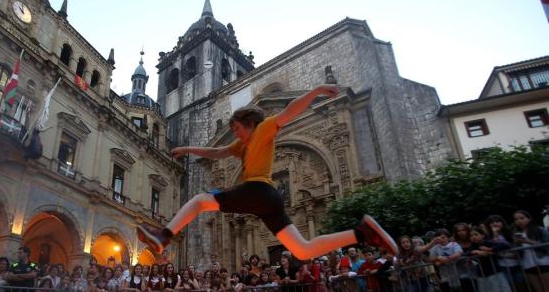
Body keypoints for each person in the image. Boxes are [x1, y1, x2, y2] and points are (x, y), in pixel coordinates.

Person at [137, 85, 397, 260]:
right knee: (303, 251)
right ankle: (362, 233)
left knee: (200, 200)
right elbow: (217, 153)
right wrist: (187, 149)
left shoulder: (264, 129)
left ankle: (164, 236)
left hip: (258, 191)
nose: (235, 132)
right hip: (268, 202)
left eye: (237, 127)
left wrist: (316, 91)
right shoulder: (243, 144)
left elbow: (290, 110)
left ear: (250, 124)